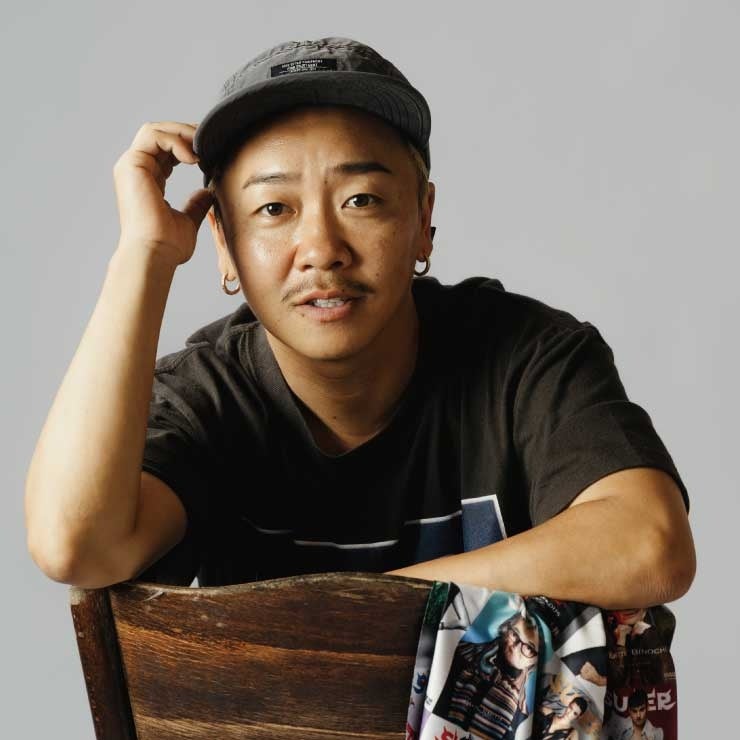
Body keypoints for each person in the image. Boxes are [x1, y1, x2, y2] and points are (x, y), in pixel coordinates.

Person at [25, 37, 695, 612]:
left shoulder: (526, 357)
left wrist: (351, 610)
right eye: (274, 209)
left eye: (362, 199)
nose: (321, 248)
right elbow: (74, 546)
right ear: (224, 244)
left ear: (423, 220)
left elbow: (649, 543)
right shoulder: (208, 398)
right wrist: (144, 255)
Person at [432, 612, 539, 739]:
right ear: (506, 629)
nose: (516, 646)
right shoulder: (462, 655)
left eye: (529, 647)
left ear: (534, 660)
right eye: (515, 634)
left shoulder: (524, 710)